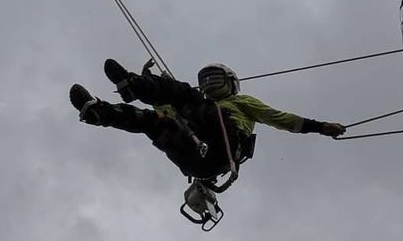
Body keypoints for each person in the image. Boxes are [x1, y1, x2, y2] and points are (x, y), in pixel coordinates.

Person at [69, 59, 345, 181]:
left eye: (214, 80)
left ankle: (134, 85)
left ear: (231, 83)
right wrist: (149, 84)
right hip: (198, 163)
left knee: (183, 94)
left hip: (224, 140)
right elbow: (165, 105)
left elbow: (280, 118)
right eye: (206, 81)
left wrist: (320, 127)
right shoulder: (199, 107)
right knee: (155, 121)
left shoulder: (240, 102)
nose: (208, 86)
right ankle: (97, 112)